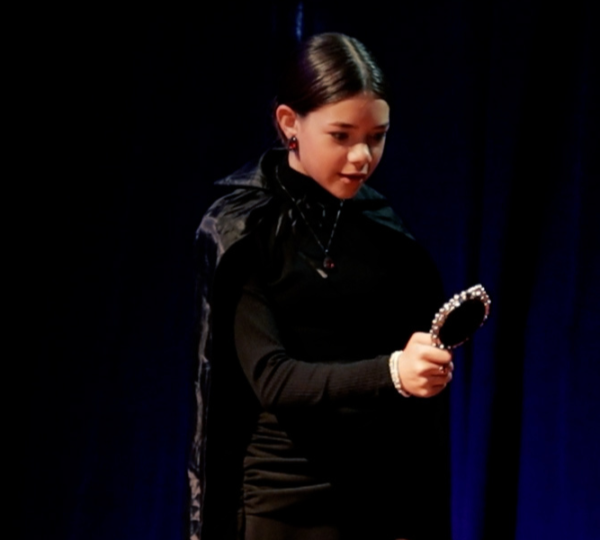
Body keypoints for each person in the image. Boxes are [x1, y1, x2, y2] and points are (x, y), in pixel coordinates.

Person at [189, 32, 453, 540]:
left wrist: (422, 368)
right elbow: (274, 379)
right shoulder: (243, 232)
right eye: (341, 136)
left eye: (376, 136)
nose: (362, 157)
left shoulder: (385, 233)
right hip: (279, 507)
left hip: (376, 500)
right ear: (290, 122)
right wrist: (394, 371)